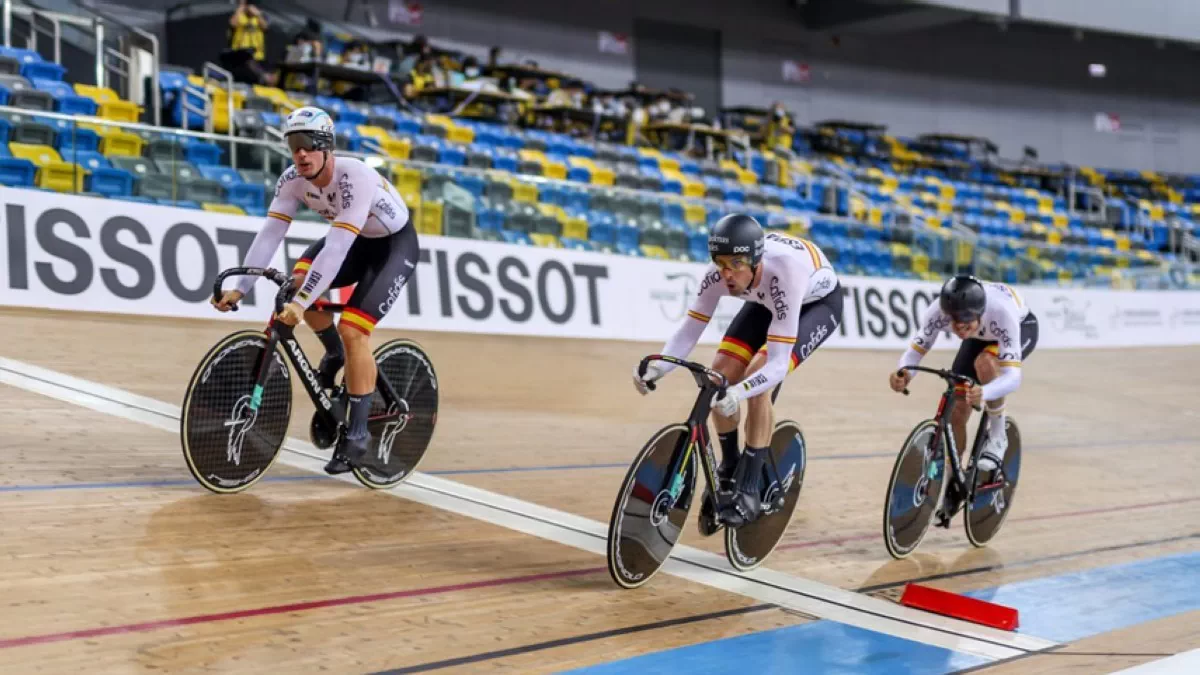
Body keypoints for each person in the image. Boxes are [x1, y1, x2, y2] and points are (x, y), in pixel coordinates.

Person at [211, 107, 417, 475]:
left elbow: (337, 247)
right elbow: (270, 234)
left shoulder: (355, 176)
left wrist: (304, 302)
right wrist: (240, 289)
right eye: (293, 145)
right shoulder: (291, 179)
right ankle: (333, 355)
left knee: (353, 329)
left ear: (325, 146)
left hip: (391, 247)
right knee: (294, 287)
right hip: (352, 242)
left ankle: (357, 435)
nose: (300, 154)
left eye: (307, 145)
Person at [633, 214, 843, 531]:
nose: (727, 274)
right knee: (718, 376)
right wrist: (658, 367)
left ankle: (749, 489)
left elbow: (775, 365)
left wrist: (739, 392)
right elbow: (689, 331)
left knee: (757, 379)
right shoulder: (721, 275)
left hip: (815, 305)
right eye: (720, 263)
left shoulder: (786, 272)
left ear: (755, 260)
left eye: (736, 264)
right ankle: (729, 469)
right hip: (764, 298)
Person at [889, 275, 1039, 481]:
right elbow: (915, 353)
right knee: (958, 408)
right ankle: (953, 477)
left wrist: (984, 392)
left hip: (1021, 327)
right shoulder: (937, 313)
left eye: (965, 321)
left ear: (979, 313)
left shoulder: (1002, 312)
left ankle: (997, 436)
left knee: (985, 363)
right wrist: (905, 373)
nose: (959, 327)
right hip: (978, 336)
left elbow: (1013, 377)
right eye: (954, 322)